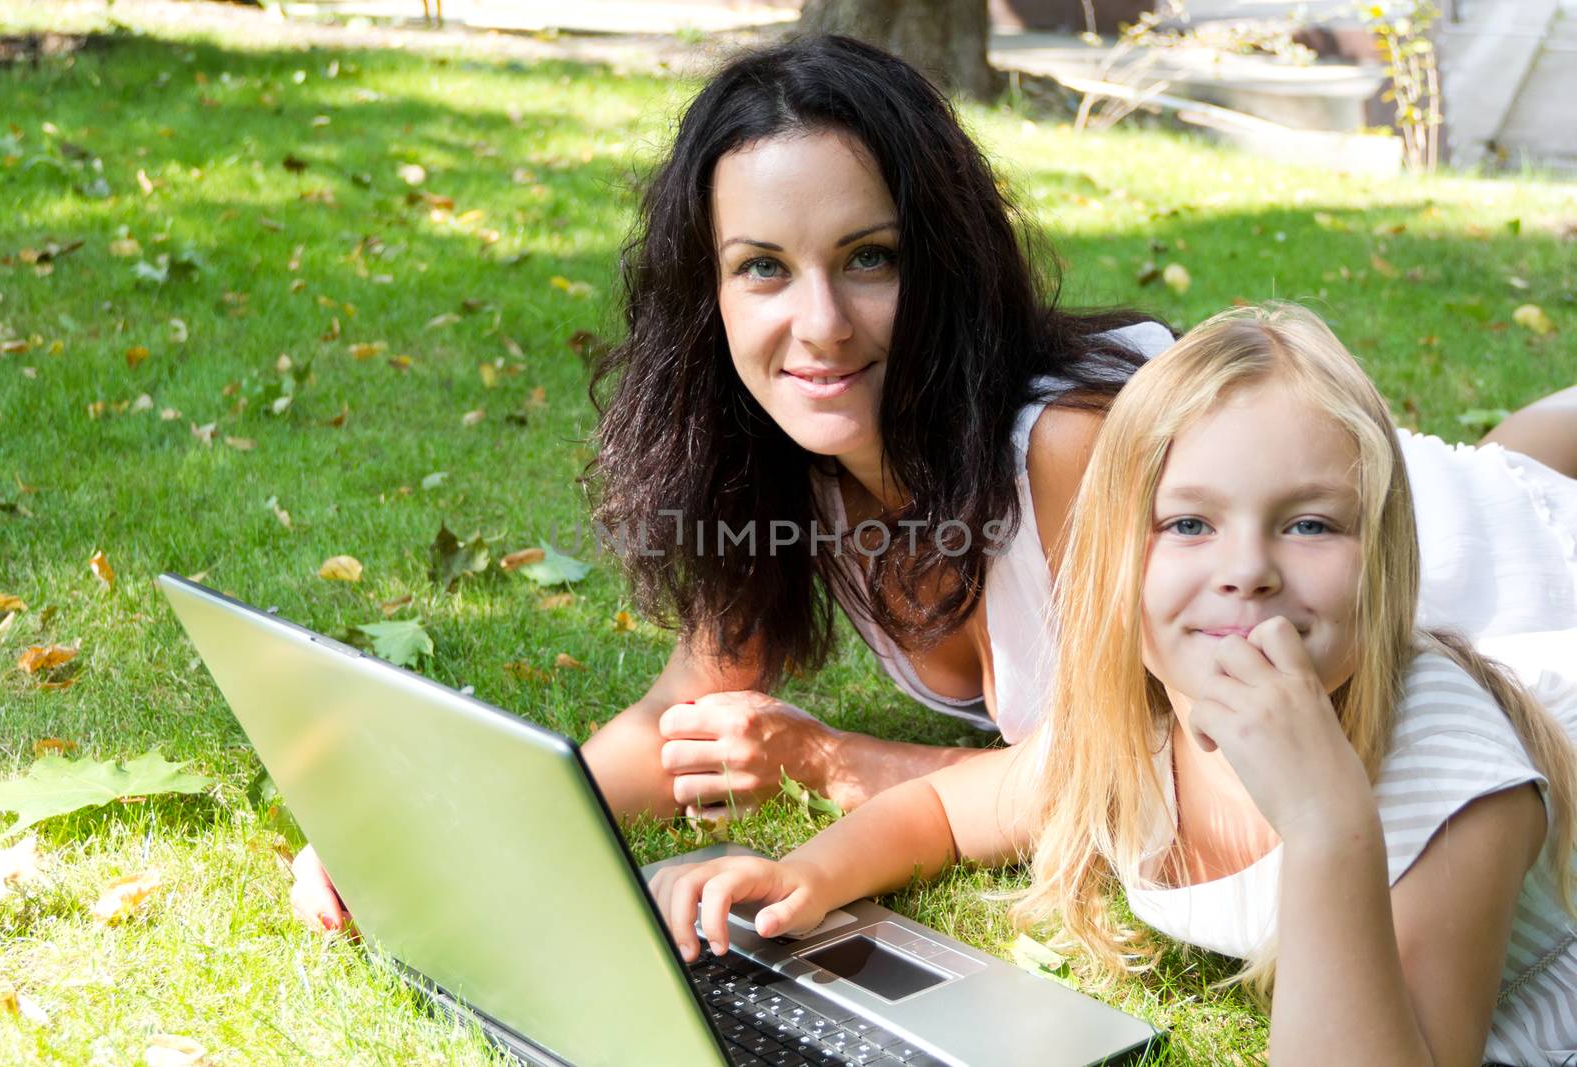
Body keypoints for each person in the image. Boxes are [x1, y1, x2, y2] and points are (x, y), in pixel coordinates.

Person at [289, 35, 1577, 932]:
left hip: (1488, 584)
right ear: (710, 289)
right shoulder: (785, 457)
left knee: (1521, 487)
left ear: (941, 261)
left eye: (868, 258)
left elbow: (1130, 781)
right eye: (761, 269)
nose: (819, 326)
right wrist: (430, 826)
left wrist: (828, 759)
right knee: (1519, 447)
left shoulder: (1066, 451)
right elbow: (686, 709)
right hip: (1425, 491)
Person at [649, 304, 1577, 1064]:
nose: (1246, 569)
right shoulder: (1141, 729)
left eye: (1309, 526)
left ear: (1387, 565)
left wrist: (1328, 820)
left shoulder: (1454, 779)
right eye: (1188, 524)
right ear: (1114, 567)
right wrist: (808, 873)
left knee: (1532, 476)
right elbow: (948, 812)